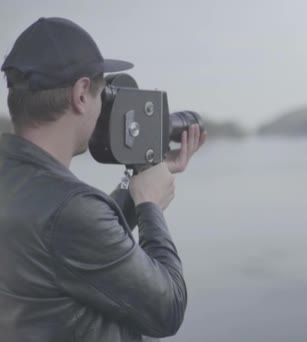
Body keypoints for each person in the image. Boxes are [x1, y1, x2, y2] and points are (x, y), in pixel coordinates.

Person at [0, 17, 206, 341]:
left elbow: (79, 241)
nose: (103, 107)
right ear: (82, 94)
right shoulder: (71, 209)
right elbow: (168, 309)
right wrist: (150, 204)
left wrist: (140, 175)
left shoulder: (20, 180)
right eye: (103, 94)